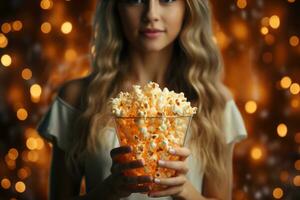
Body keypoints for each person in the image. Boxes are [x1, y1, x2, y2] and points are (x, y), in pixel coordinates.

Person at [37, 0, 248, 199]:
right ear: (115, 7)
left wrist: (186, 192)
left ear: (188, 7)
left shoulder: (214, 103)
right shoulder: (76, 97)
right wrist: (108, 190)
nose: (151, 15)